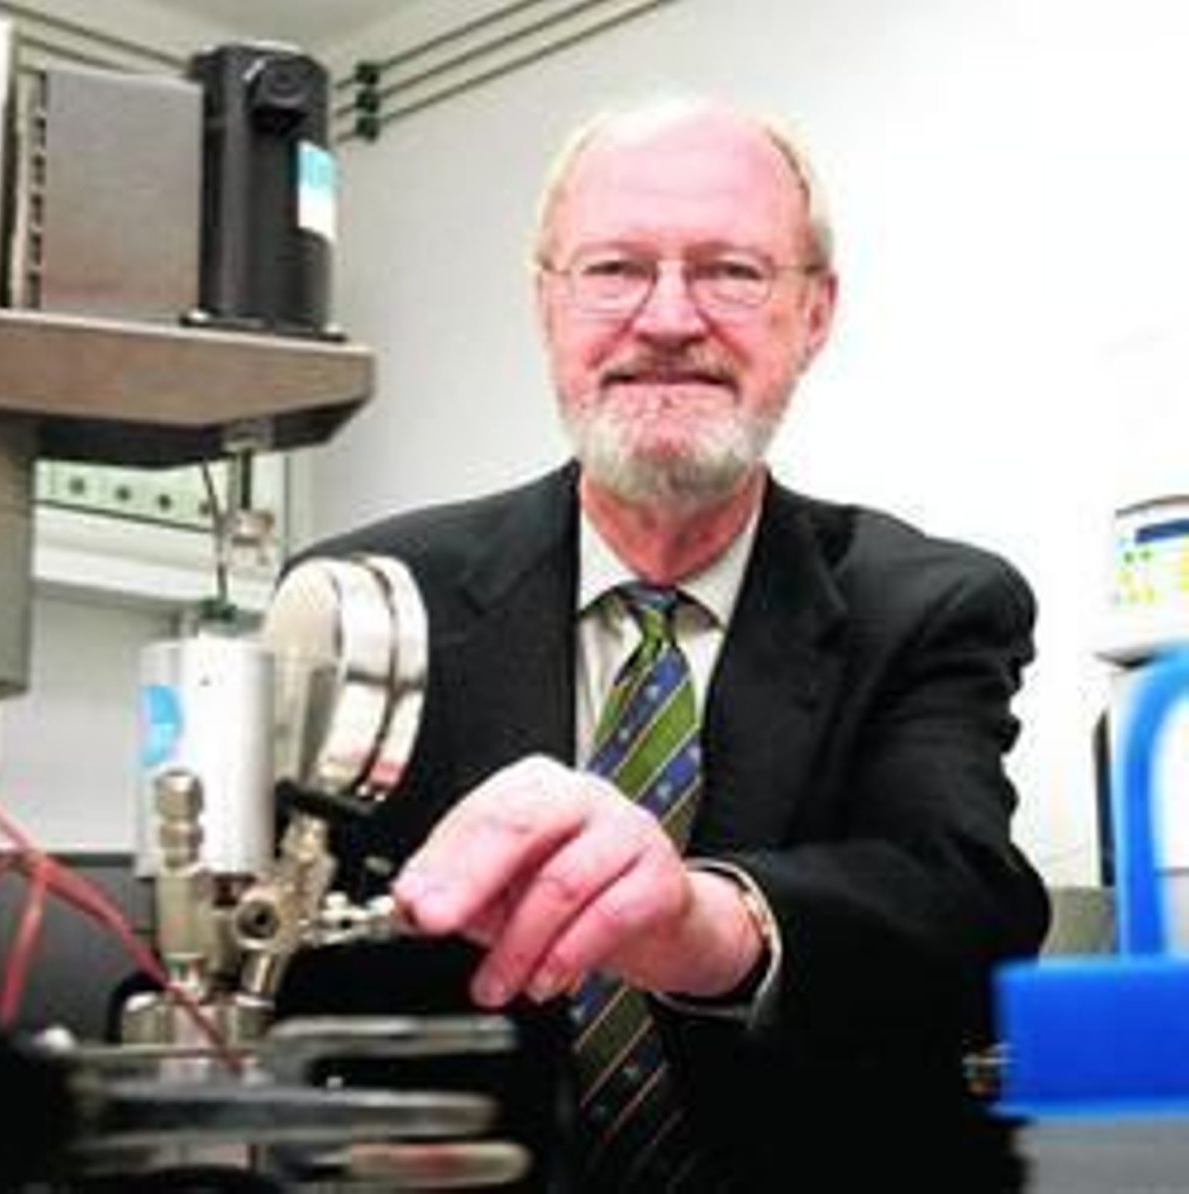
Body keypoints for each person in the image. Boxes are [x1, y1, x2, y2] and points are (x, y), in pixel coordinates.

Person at [276, 95, 1050, 1192]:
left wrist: (699, 919)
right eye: (613, 269)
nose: (669, 317)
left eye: (732, 270)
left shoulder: (930, 604)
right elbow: (284, 972)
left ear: (813, 314)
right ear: (547, 306)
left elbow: (960, 910)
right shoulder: (368, 598)